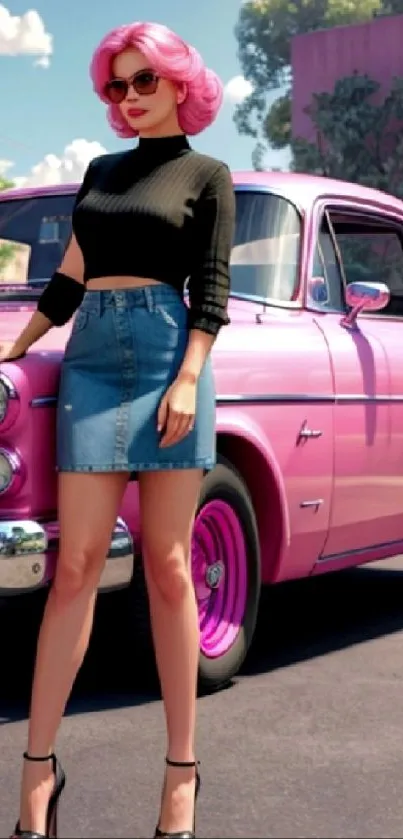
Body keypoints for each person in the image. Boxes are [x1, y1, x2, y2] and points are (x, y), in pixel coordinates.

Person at [4, 20, 235, 839]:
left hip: (171, 351)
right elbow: (71, 275)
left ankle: (180, 774)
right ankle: (37, 775)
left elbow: (210, 286)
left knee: (170, 569)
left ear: (180, 83)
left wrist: (187, 376)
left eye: (144, 81)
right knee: (74, 568)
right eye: (116, 85)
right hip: (92, 359)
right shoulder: (100, 174)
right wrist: (20, 344)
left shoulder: (207, 174)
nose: (128, 97)